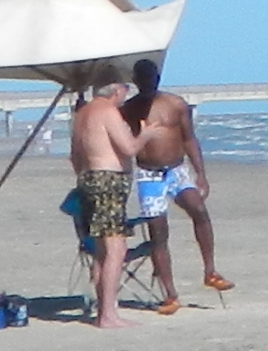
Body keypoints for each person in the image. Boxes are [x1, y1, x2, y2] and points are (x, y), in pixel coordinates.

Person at [126, 59, 227, 305]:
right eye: (143, 78)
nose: (148, 83)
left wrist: (201, 174)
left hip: (176, 169)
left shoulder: (175, 104)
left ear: (158, 78)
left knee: (199, 210)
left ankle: (210, 271)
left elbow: (189, 138)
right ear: (135, 80)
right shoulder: (128, 109)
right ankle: (170, 295)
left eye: (152, 78)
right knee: (158, 232)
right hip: (149, 174)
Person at [67, 75, 140, 330]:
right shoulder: (107, 111)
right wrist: (147, 134)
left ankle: (103, 312)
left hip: (88, 179)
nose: (126, 94)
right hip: (108, 180)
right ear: (116, 90)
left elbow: (74, 157)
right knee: (116, 249)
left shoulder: (82, 114)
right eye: (125, 89)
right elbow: (129, 148)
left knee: (101, 250)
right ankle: (107, 314)